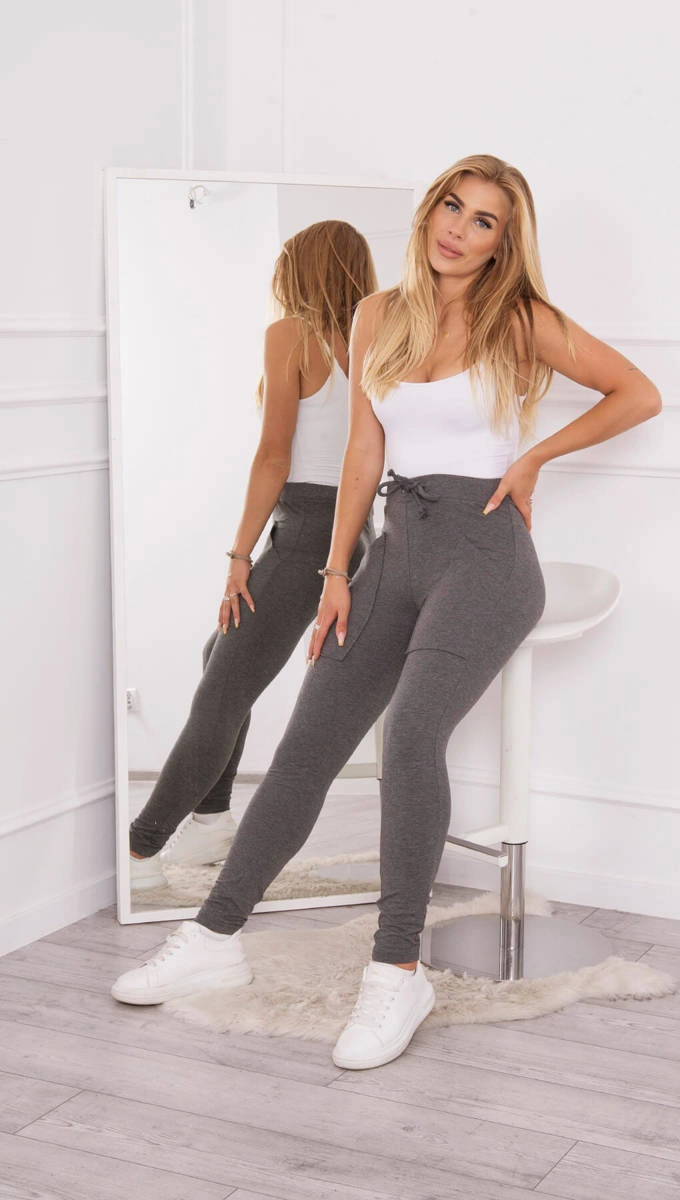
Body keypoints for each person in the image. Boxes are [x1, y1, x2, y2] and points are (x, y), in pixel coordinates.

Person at [112, 155, 661, 1069]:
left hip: (487, 560)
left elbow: (638, 392)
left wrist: (533, 460)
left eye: (484, 220)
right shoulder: (377, 314)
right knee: (306, 746)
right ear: (430, 210)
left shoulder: (519, 317)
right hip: (392, 554)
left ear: (502, 243)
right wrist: (337, 569)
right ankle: (212, 939)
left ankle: (396, 970)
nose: (459, 228)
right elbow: (364, 449)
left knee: (409, 737)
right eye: (452, 205)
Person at [127, 220, 378, 889]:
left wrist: (239, 554)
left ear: (302, 271)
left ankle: (141, 849)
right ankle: (211, 821)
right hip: (357, 528)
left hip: (308, 530)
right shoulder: (379, 340)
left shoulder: (292, 334)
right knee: (221, 655)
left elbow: (274, 455)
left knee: (221, 690)